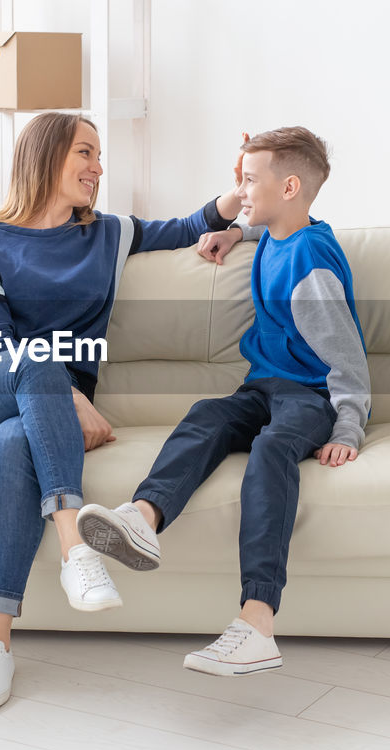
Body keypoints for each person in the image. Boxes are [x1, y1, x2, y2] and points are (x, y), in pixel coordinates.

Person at [0, 112, 246, 711]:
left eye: (100, 156)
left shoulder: (108, 234)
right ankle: (77, 549)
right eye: (85, 153)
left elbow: (189, 227)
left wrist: (235, 201)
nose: (98, 168)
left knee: (11, 446)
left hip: (34, 420)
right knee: (37, 360)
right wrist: (71, 394)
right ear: (46, 157)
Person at [76, 126, 371, 676]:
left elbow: (346, 358)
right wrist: (237, 233)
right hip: (262, 386)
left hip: (310, 398)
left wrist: (347, 428)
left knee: (271, 452)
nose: (239, 190)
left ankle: (257, 621)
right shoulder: (287, 235)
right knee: (207, 416)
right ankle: (143, 517)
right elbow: (279, 235)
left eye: (249, 180)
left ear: (287, 188)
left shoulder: (313, 265)